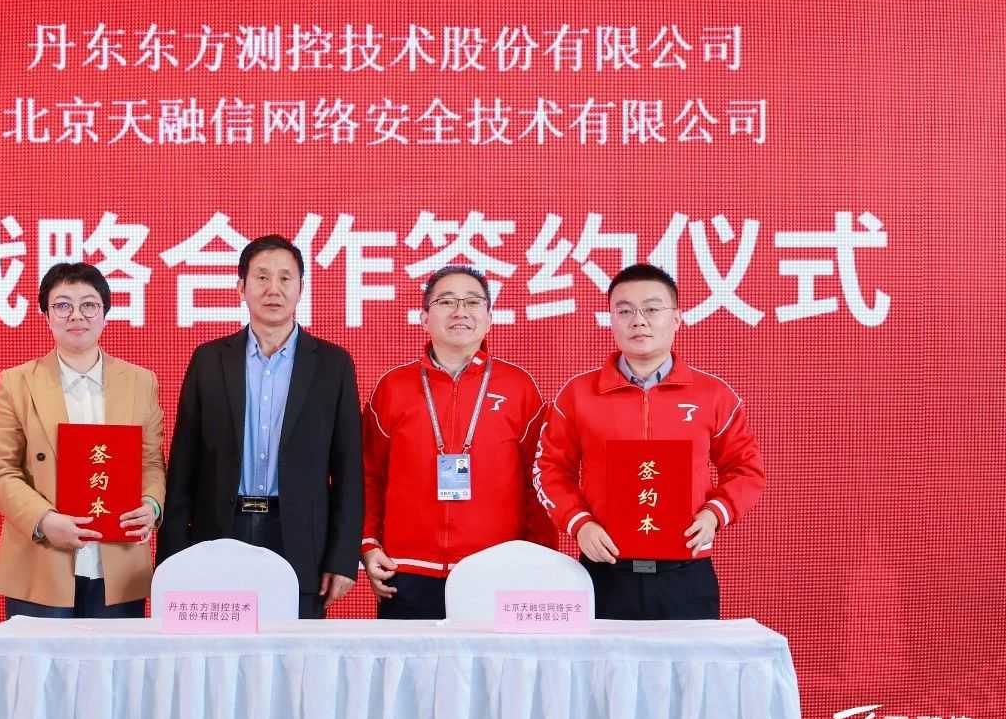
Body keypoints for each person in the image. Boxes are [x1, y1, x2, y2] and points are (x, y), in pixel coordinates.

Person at [534, 263, 765, 620]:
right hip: (604, 571)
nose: (638, 321)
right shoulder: (577, 395)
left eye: (652, 309)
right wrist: (579, 523)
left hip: (686, 574)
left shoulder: (713, 395)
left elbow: (746, 469)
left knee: (690, 659)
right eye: (624, 311)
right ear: (611, 320)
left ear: (677, 318)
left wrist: (714, 514)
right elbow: (550, 469)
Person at [157, 235, 362, 619]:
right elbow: (184, 463)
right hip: (220, 531)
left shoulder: (332, 365)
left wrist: (343, 557)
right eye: (262, 277)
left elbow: (349, 469)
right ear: (241, 287)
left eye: (285, 278)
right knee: (218, 652)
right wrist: (172, 555)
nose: (273, 289)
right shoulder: (209, 360)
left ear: (301, 288)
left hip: (300, 539)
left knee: (295, 654)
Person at [361, 265, 557, 619]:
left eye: (472, 302)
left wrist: (538, 558)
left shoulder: (519, 386)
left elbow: (538, 480)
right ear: (424, 318)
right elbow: (368, 475)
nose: (460, 311)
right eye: (446, 301)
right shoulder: (393, 386)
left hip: (497, 570)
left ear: (489, 318)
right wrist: (368, 544)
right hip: (406, 570)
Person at [0, 262, 166, 618]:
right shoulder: (17, 383)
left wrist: (151, 505)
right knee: (41, 657)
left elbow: (151, 462)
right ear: (46, 316)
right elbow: (0, 471)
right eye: (63, 305)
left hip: (118, 561)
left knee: (113, 657)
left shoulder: (140, 382)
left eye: (89, 305)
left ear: (105, 314)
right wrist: (44, 520)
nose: (76, 315)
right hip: (41, 559)